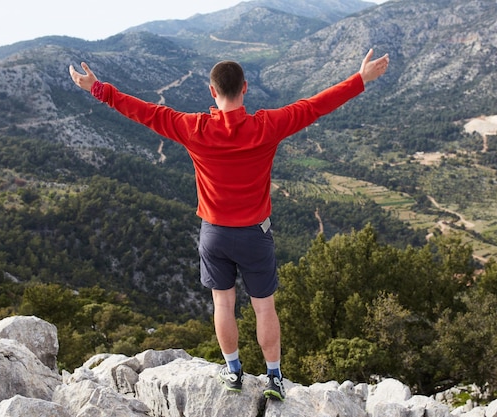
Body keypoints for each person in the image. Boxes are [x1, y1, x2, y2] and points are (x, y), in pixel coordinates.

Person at [69, 49, 389, 401]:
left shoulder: (194, 128)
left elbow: (145, 113)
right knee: (264, 307)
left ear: (211, 91)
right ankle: (274, 378)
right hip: (255, 233)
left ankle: (233, 371)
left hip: (214, 233)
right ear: (245, 88)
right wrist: (361, 79)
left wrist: (98, 89)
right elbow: (315, 105)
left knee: (222, 304)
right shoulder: (266, 125)